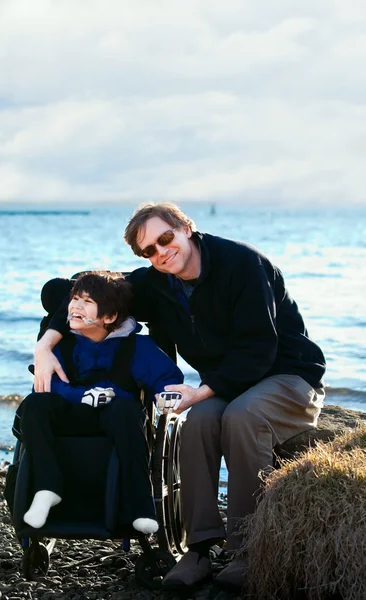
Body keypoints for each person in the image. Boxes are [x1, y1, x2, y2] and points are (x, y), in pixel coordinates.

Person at [34, 204, 326, 592]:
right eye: (148, 251)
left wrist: (201, 391)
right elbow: (70, 289)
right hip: (229, 383)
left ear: (186, 228)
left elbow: (259, 350)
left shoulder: (243, 264)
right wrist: (46, 345)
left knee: (240, 417)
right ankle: (199, 548)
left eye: (165, 239)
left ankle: (247, 551)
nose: (160, 253)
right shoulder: (157, 282)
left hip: (289, 377)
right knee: (199, 422)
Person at [18, 271, 183, 534]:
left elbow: (167, 378)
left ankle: (140, 504)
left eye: (86, 301)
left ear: (108, 317)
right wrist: (82, 397)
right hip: (70, 414)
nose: (75, 306)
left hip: (114, 418)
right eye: (74, 299)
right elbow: (48, 386)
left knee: (126, 408)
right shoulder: (62, 345)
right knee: (34, 405)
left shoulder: (137, 346)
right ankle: (48, 488)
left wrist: (164, 397)